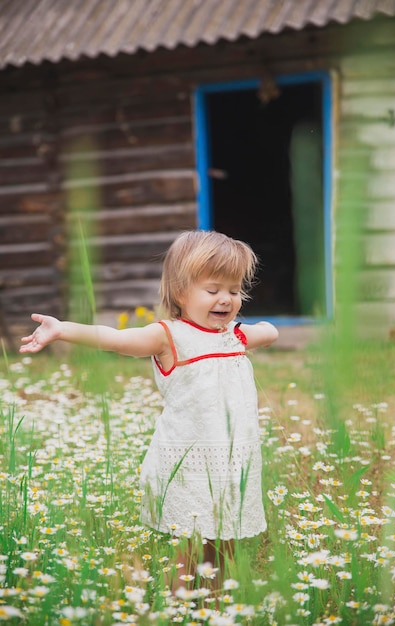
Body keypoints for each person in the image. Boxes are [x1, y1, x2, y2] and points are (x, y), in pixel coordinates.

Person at [20, 230, 278, 588]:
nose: (226, 300)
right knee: (191, 546)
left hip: (233, 461)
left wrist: (261, 331)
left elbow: (269, 332)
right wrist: (63, 329)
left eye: (234, 291)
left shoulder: (234, 336)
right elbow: (115, 339)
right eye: (213, 289)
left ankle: (216, 608)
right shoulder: (168, 336)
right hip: (190, 462)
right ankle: (178, 606)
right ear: (180, 292)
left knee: (225, 545)